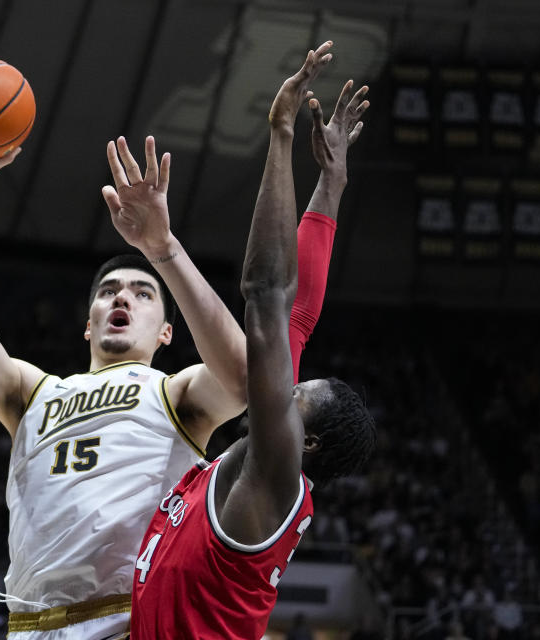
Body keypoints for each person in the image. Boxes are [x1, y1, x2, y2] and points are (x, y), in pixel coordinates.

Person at [0, 114, 249, 636]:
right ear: (87, 326)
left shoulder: (176, 394)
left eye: (142, 293)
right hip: (29, 627)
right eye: (109, 291)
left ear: (165, 334)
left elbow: (247, 379)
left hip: (126, 623)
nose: (122, 298)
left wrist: (164, 251)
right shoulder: (31, 391)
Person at [129, 41, 376, 639]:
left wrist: (282, 134)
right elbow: (297, 319)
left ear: (306, 444)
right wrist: (332, 183)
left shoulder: (273, 474)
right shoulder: (261, 456)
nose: (279, 388)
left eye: (294, 395)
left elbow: (267, 295)